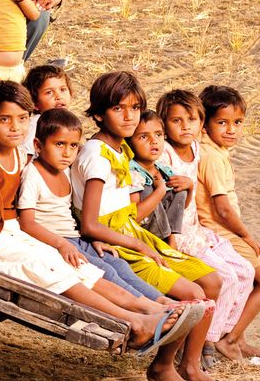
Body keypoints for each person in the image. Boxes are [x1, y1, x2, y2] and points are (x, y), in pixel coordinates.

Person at [0, 82, 204, 381]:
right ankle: (134, 321)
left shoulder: (19, 157)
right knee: (47, 268)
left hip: (11, 233)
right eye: (4, 120)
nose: (15, 128)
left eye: (23, 119)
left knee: (78, 265)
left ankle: (148, 307)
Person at [71, 70, 232, 381]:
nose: (129, 116)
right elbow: (90, 223)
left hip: (132, 234)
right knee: (192, 295)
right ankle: (161, 367)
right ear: (99, 114)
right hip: (118, 242)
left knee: (212, 282)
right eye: (119, 109)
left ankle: (191, 366)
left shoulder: (119, 151)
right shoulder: (96, 156)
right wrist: (137, 245)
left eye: (135, 107)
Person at [18, 107, 172, 305]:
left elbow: (71, 214)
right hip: (54, 241)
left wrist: (91, 240)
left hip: (75, 238)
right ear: (38, 146)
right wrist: (61, 244)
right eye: (59, 144)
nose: (67, 152)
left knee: (117, 264)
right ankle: (149, 307)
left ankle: (160, 300)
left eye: (73, 146)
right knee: (104, 271)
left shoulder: (65, 171)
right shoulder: (33, 175)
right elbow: (27, 224)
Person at [157, 89, 255, 365]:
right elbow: (168, 202)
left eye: (192, 119)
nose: (186, 126)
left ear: (201, 123)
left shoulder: (197, 149)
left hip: (196, 231)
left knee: (244, 272)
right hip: (179, 236)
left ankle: (216, 335)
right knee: (225, 277)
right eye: (177, 121)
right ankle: (205, 343)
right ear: (165, 124)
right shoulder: (165, 154)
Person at [196, 85, 260, 361]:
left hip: (222, 231)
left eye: (237, 123)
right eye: (222, 123)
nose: (231, 130)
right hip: (222, 232)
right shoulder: (210, 157)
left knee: (253, 281)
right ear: (205, 124)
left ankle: (239, 338)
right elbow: (223, 210)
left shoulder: (214, 152)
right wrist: (247, 237)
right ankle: (229, 340)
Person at [127, 110, 186, 243]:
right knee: (148, 190)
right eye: (143, 137)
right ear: (130, 142)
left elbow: (179, 206)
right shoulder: (133, 172)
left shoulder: (162, 167)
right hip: (143, 234)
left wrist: (190, 187)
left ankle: (170, 241)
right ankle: (159, 243)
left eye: (158, 135)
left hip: (166, 232)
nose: (154, 141)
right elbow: (134, 217)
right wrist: (160, 190)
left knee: (178, 188)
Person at [21, 63, 72, 158]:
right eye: (49, 92)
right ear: (35, 103)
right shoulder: (37, 125)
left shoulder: (69, 121)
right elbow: (26, 158)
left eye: (63, 90)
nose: (58, 97)